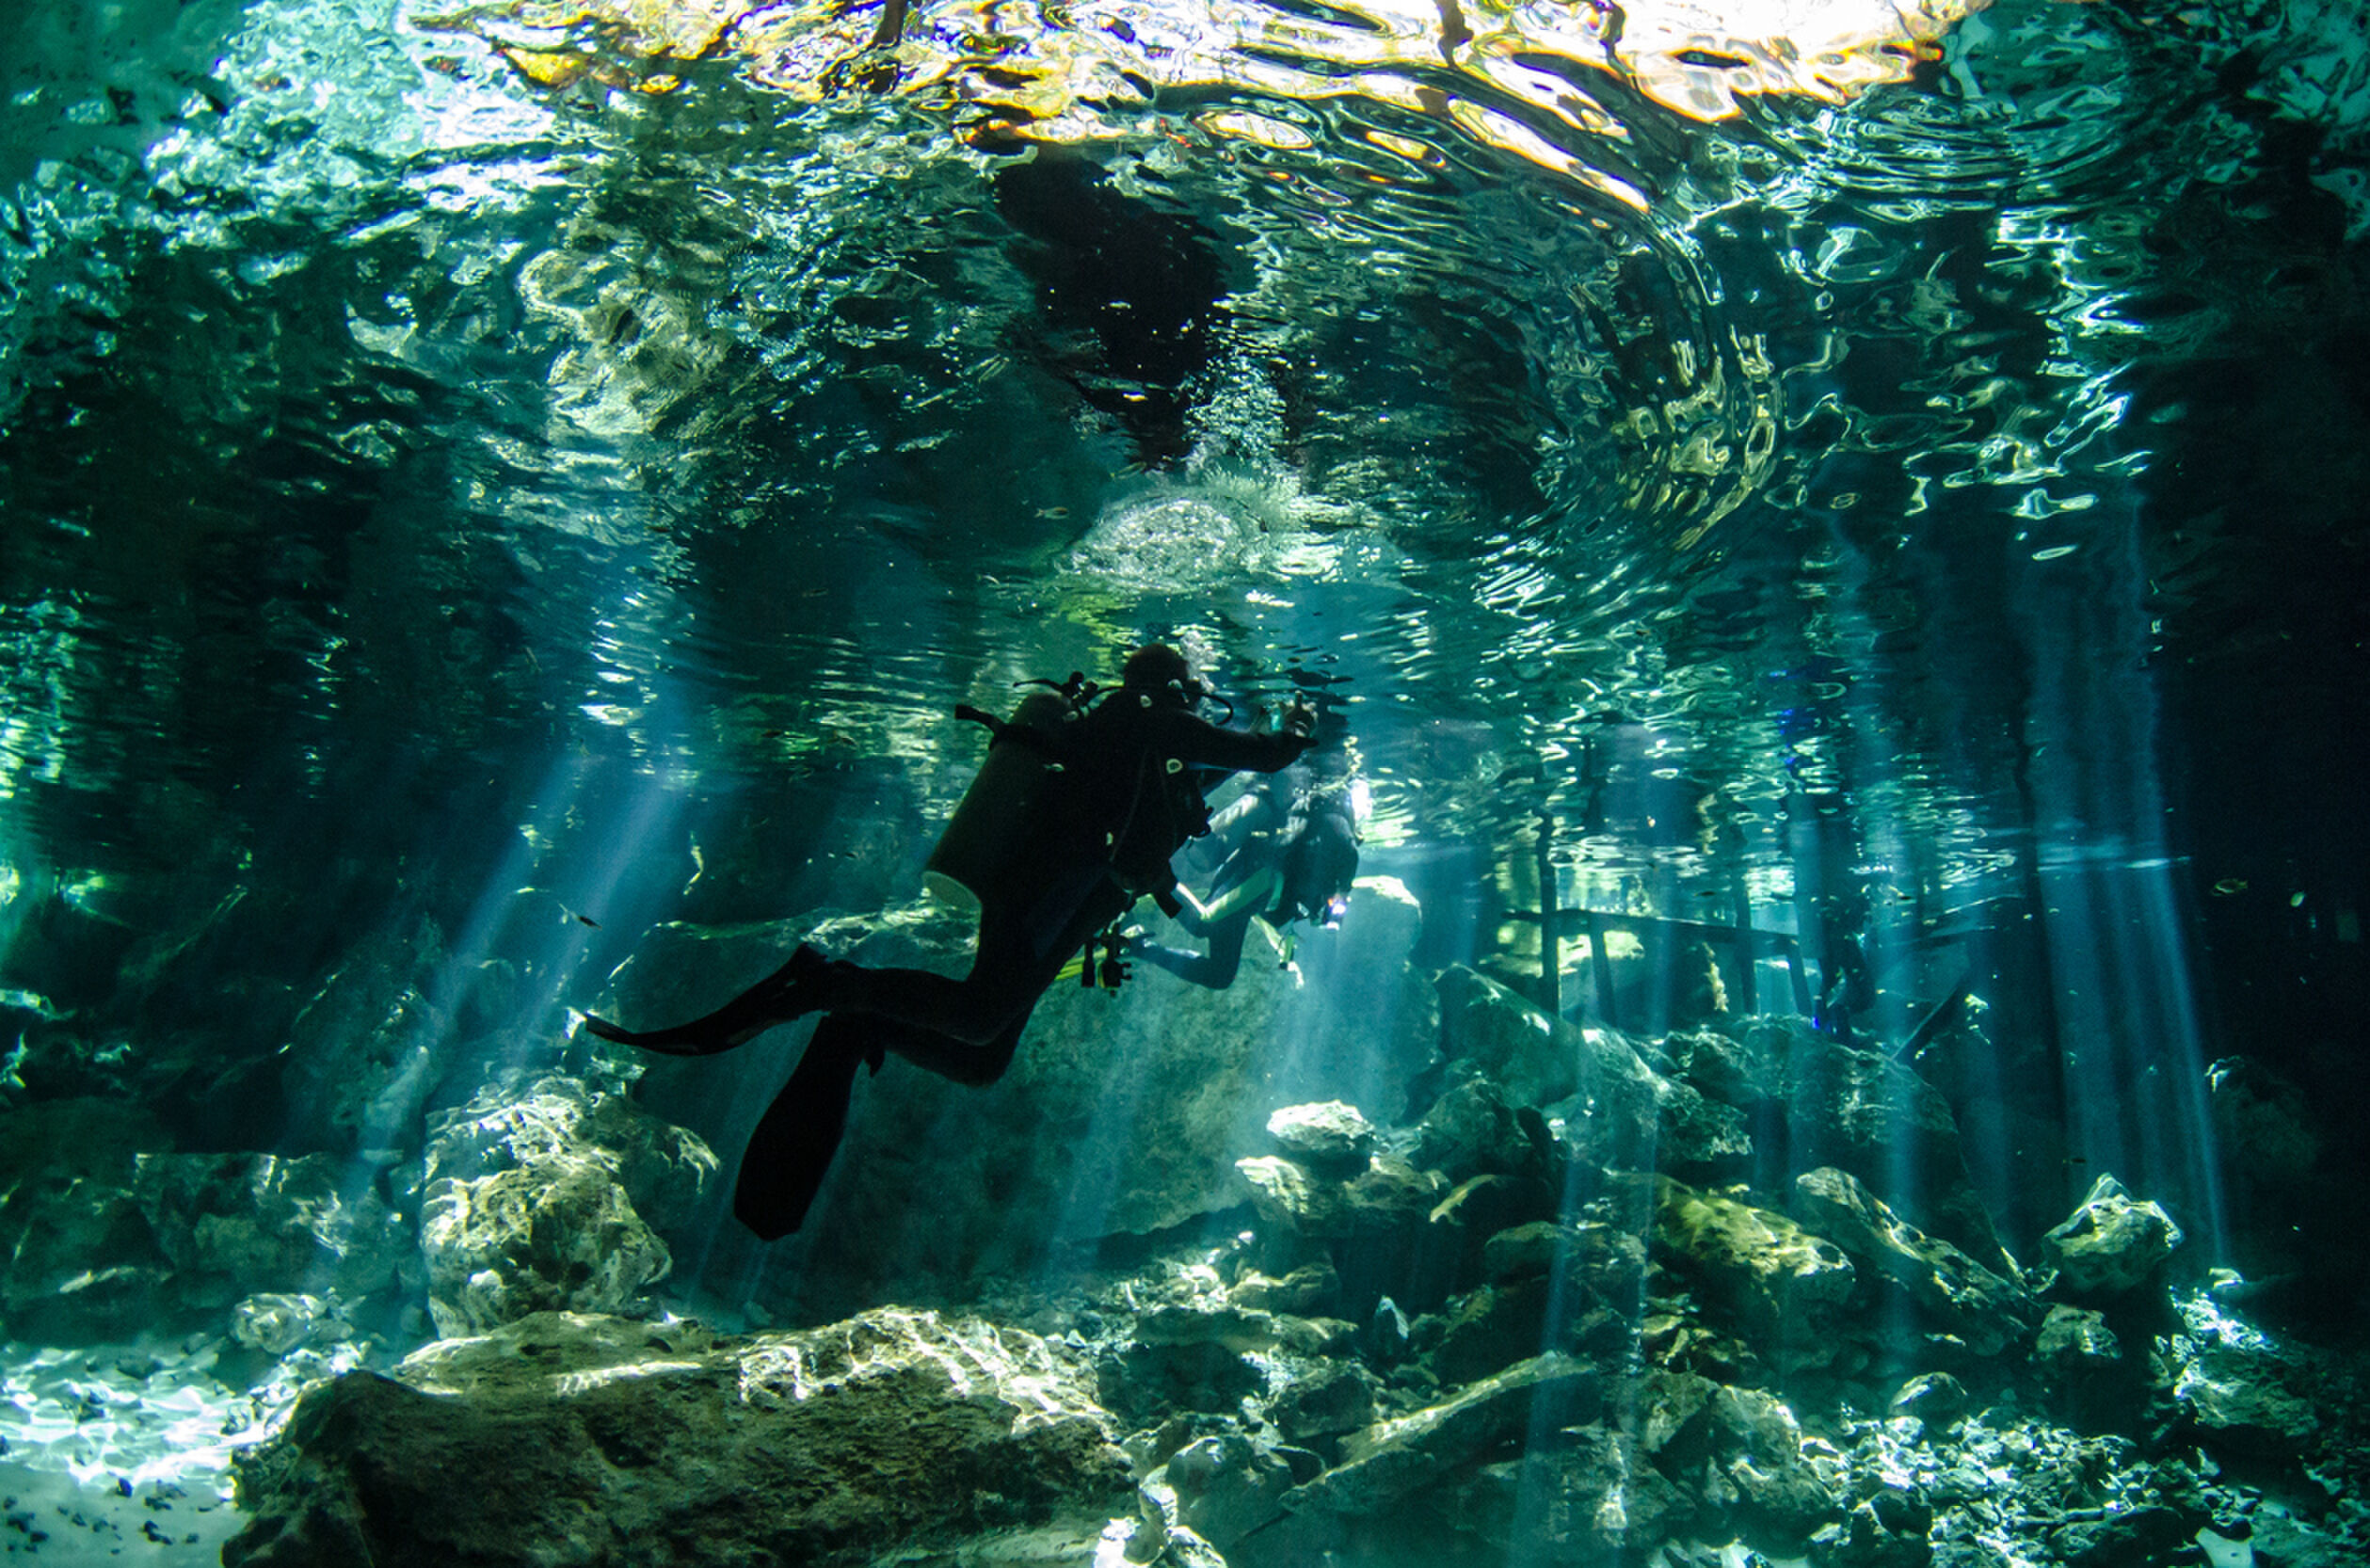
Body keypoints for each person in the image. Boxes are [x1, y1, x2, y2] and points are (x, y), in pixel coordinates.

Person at [580, 644, 1316, 1235]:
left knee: (982, 1062)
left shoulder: (1137, 742)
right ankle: (826, 982)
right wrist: (1303, 716)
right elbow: (1274, 754)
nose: (1203, 695)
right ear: (1175, 683)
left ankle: (862, 1022)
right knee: (979, 1016)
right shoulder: (1151, 718)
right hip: (1041, 896)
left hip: (1062, 906)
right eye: (1196, 681)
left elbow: (1137, 838)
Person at [1129, 760, 1361, 990]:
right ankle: (1156, 874)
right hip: (1258, 876)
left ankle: (1138, 945)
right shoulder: (1341, 849)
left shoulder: (1337, 854)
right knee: (1202, 923)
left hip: (1263, 890)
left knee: (1220, 975)